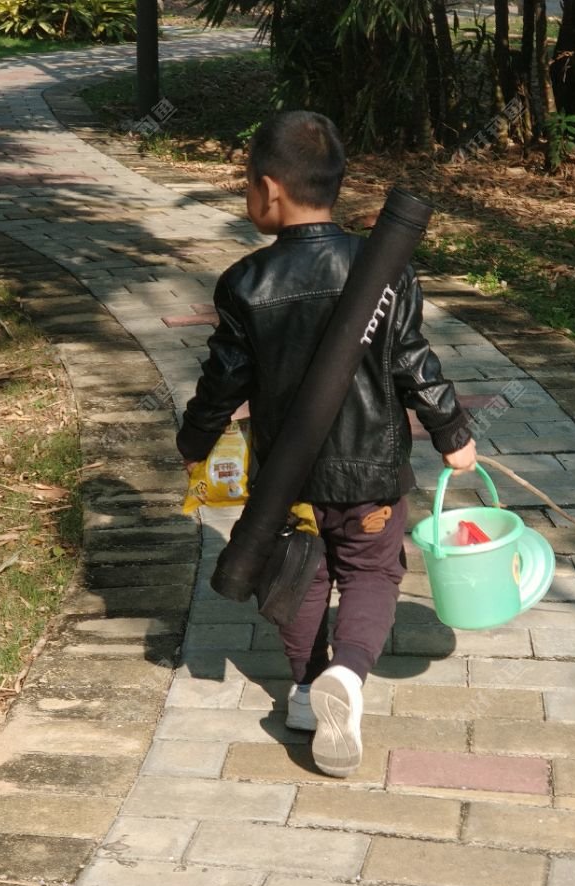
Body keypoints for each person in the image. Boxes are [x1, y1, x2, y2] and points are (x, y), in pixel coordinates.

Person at [177, 110, 476, 777]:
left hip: (289, 479)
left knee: (299, 572)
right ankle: (349, 673)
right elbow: (413, 361)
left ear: (269, 188)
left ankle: (308, 689)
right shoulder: (382, 267)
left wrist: (194, 440)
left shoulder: (246, 282)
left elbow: (224, 380)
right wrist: (452, 432)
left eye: (245, 185)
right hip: (372, 472)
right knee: (372, 572)